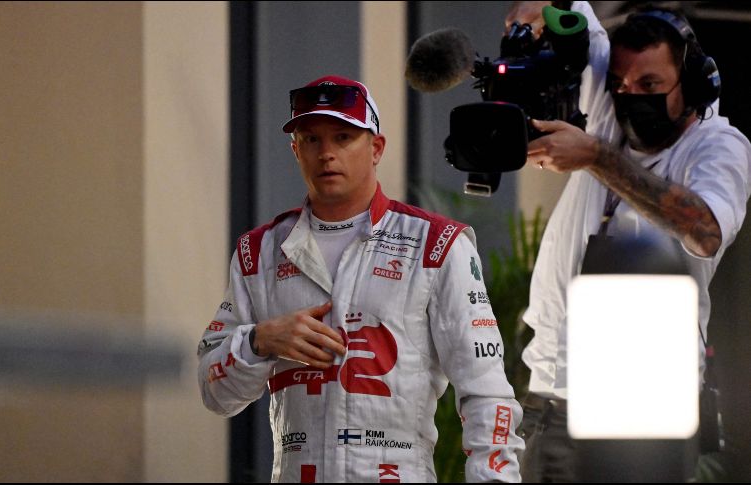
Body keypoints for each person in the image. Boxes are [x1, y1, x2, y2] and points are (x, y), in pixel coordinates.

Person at [197, 75, 524, 482]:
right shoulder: (258, 251)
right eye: (311, 139)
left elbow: (486, 392)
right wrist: (259, 340)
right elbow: (214, 392)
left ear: (376, 148)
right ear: (295, 149)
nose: (326, 153)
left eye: (343, 136)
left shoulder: (437, 244)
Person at [505, 1, 751, 482]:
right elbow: (563, 9)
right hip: (550, 397)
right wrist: (531, 14)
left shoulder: (719, 146)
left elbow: (704, 229)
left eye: (651, 86)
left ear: (694, 85)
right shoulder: (608, 111)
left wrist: (596, 155)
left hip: (643, 411)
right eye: (620, 84)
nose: (629, 94)